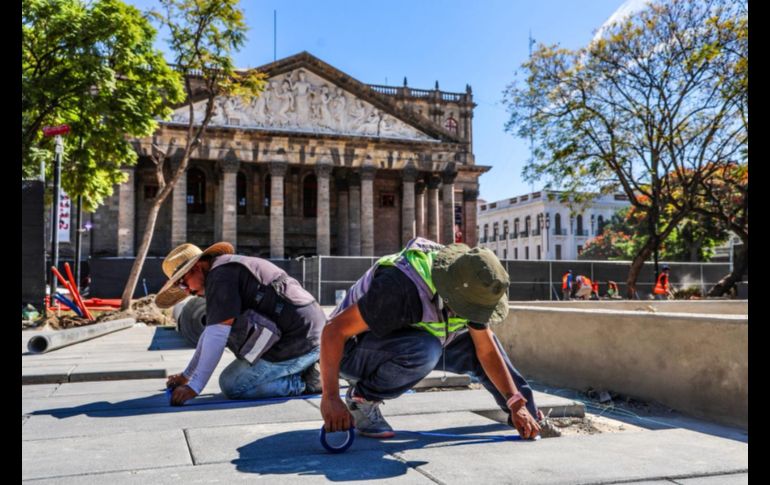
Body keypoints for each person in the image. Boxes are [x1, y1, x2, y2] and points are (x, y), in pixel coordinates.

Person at [319, 237, 556, 441]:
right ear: (453, 296)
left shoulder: (468, 279)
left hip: (409, 337)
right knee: (426, 348)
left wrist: (517, 404)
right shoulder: (400, 287)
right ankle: (362, 398)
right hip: (352, 352)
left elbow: (486, 350)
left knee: (476, 345)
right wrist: (330, 398)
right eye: (471, 309)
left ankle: (530, 417)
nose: (475, 316)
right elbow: (332, 331)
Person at [154, 242, 326, 406]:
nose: (187, 291)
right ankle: (309, 366)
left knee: (233, 385)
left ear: (197, 267)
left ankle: (306, 382)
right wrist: (187, 376)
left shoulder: (220, 277)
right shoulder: (226, 268)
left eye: (183, 283)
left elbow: (216, 336)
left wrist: (194, 387)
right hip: (309, 334)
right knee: (234, 377)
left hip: (301, 342)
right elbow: (209, 333)